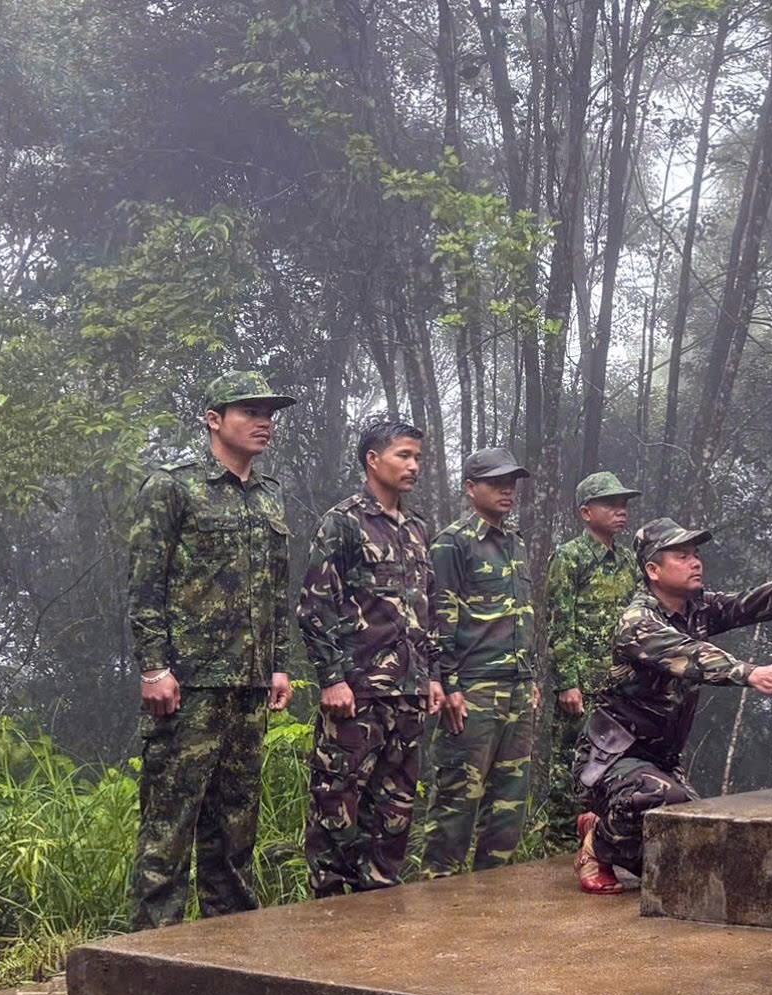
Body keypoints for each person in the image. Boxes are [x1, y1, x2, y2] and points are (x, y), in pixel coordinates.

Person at [125, 370, 297, 929]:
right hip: (189, 686)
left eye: (269, 413)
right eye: (249, 411)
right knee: (169, 822)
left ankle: (230, 947)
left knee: (235, 827)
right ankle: (155, 952)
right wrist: (154, 667)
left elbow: (275, 587)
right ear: (213, 419)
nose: (263, 421)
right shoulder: (173, 487)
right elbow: (145, 583)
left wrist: (278, 666)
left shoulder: (269, 498)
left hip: (247, 688)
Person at [573, 518, 772, 881]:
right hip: (613, 760)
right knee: (656, 798)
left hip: (661, 763)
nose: (696, 562)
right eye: (682, 555)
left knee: (697, 845)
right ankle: (596, 846)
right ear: (653, 570)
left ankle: (607, 825)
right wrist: (751, 673)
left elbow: (752, 603)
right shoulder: (638, 623)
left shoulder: (698, 609)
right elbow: (690, 655)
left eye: (696, 554)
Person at [298, 418, 445, 898]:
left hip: (408, 696)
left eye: (418, 457)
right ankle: (329, 918)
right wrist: (332, 679)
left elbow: (428, 609)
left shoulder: (419, 530)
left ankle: (380, 923)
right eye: (404, 455)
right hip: (357, 696)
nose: (414, 466)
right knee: (337, 808)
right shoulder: (342, 522)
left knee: (396, 815)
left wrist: (434, 677)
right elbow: (315, 606)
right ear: (372, 459)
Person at [416, 448, 540, 877]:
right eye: (495, 481)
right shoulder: (453, 544)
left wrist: (531, 676)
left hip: (518, 688)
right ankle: (437, 900)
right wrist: (448, 684)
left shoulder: (515, 543)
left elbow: (522, 616)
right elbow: (438, 620)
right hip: (473, 690)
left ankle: (492, 903)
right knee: (456, 804)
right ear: (471, 488)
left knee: (508, 808)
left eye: (512, 481)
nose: (507, 489)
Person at [543, 471, 643, 892]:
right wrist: (568, 683)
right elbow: (558, 624)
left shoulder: (629, 561)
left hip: (620, 688)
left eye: (623, 504)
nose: (620, 511)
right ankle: (554, 855)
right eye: (610, 504)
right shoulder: (570, 558)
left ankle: (598, 847)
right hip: (582, 687)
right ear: (587, 513)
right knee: (572, 770)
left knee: (612, 771)